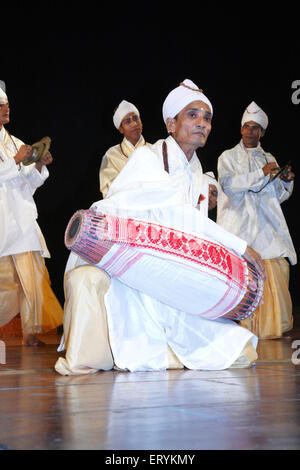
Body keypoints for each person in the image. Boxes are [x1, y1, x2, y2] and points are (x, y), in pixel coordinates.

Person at [55, 79, 265, 376]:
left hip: (169, 274)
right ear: (171, 123)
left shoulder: (196, 175)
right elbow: (179, 214)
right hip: (125, 266)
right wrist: (242, 247)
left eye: (207, 118)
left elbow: (193, 235)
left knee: (242, 351)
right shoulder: (148, 158)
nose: (202, 123)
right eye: (192, 115)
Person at [217, 101, 296, 339]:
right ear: (241, 129)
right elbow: (229, 186)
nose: (250, 132)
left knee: (276, 268)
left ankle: (270, 328)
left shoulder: (269, 157)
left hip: (265, 226)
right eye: (246, 127)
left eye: (255, 128)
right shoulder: (227, 157)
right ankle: (240, 328)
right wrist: (261, 173)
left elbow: (276, 196)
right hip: (238, 225)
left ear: (262, 132)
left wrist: (286, 181)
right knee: (242, 273)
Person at [0, 83, 63, 346]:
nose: (7, 108)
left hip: (23, 218)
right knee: (6, 282)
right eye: (1, 105)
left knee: (32, 276)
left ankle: (30, 331)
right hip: (3, 219)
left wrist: (37, 163)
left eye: (7, 104)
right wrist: (15, 161)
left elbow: (29, 183)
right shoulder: (15, 149)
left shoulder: (14, 141)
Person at [99, 100, 151, 198]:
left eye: (136, 118)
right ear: (121, 129)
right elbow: (109, 192)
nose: (134, 124)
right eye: (128, 121)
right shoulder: (112, 155)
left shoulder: (155, 150)